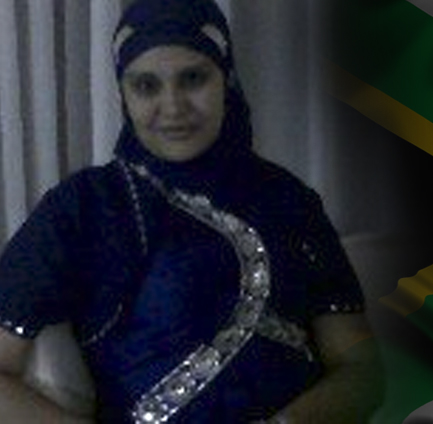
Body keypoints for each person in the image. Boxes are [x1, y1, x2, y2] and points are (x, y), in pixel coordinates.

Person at [0, 0, 383, 422]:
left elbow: (362, 370)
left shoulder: (287, 199)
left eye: (194, 79)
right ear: (123, 93)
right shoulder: (88, 205)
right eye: (146, 86)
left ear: (226, 79)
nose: (173, 106)